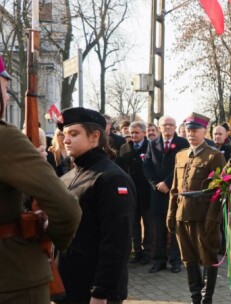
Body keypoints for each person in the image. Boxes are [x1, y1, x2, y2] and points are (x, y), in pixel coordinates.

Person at [0, 55, 81, 304]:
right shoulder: (6, 140)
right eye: (4, 85)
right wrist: (49, 236)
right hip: (12, 276)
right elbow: (67, 210)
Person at [55, 107, 135, 303]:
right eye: (65, 134)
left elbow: (117, 241)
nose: (66, 140)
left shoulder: (111, 178)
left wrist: (101, 291)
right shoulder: (67, 177)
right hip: (67, 286)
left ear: (94, 137)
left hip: (93, 291)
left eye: (74, 134)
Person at [167, 113, 225, 304]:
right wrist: (171, 213)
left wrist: (212, 218)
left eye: (195, 130)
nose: (191, 134)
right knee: (189, 259)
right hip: (183, 215)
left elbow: (219, 192)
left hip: (203, 217)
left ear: (204, 131)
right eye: (188, 130)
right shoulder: (180, 155)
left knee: (208, 258)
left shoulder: (214, 156)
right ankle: (195, 299)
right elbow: (175, 188)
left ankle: (206, 299)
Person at [143, 115, 189, 273]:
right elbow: (147, 166)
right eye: (165, 125)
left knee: (175, 227)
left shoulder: (183, 143)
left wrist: (168, 183)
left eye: (171, 125)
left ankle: (176, 260)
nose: (168, 127)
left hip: (175, 191)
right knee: (159, 228)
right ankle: (159, 260)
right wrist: (156, 184)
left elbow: (181, 166)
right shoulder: (152, 144)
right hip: (158, 193)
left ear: (175, 127)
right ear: (159, 127)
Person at [117, 121, 153, 265]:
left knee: (149, 224)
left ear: (144, 133)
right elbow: (119, 168)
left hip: (147, 192)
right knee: (133, 223)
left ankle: (148, 252)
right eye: (131, 133)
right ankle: (136, 251)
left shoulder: (151, 146)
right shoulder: (124, 148)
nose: (133, 135)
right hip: (131, 192)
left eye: (136, 132)